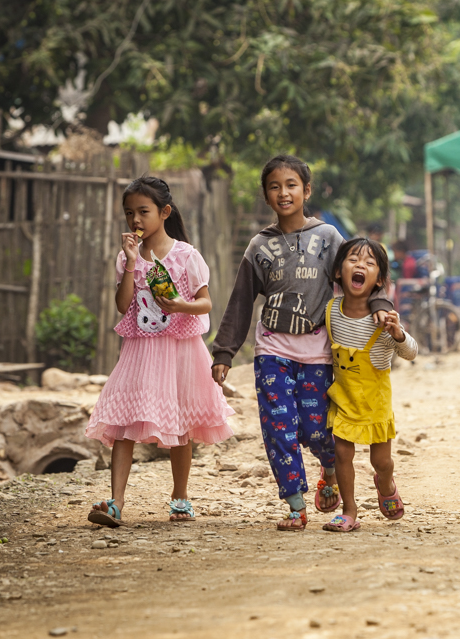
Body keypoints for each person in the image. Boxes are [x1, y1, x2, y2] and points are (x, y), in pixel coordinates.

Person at [211, 154, 395, 532]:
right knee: (279, 427)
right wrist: (225, 351)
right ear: (265, 195)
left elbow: (359, 269)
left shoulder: (327, 238)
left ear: (306, 190)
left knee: (316, 428)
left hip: (318, 353)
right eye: (275, 187)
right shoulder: (258, 247)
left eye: (291, 185)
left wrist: (380, 305)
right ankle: (295, 504)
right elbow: (242, 300)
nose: (283, 193)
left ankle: (329, 469)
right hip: (272, 352)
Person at [85, 176, 234, 527]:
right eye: (129, 213)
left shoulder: (186, 256)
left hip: (181, 350)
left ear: (164, 212)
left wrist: (181, 305)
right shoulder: (127, 259)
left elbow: (206, 303)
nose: (135, 220)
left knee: (179, 424)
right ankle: (116, 503)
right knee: (123, 423)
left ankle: (180, 496)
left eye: (143, 211)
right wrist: (132, 262)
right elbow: (123, 306)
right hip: (140, 350)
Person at [320, 238, 419, 532]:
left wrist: (398, 333)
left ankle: (385, 484)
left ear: (378, 280)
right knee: (342, 454)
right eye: (352, 259)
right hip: (343, 398)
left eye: (370, 263)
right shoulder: (331, 311)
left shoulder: (384, 320)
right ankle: (350, 511)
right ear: (338, 272)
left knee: (382, 460)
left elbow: (411, 353)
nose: (360, 265)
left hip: (375, 402)